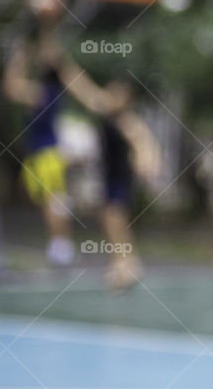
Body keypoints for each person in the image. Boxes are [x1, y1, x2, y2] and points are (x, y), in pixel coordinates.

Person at [55, 58, 160, 289]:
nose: (114, 96)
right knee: (108, 217)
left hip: (121, 177)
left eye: (120, 94)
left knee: (114, 218)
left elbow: (144, 142)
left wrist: (148, 163)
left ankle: (128, 263)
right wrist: (62, 67)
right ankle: (120, 263)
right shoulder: (103, 109)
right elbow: (81, 86)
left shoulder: (127, 122)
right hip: (107, 175)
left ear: (127, 99)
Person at [2, 0, 75, 266]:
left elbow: (12, 85)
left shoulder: (45, 94)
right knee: (46, 199)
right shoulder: (40, 90)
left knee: (51, 199)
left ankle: (61, 246)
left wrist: (46, 22)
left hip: (48, 152)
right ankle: (60, 244)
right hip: (38, 151)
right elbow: (13, 84)